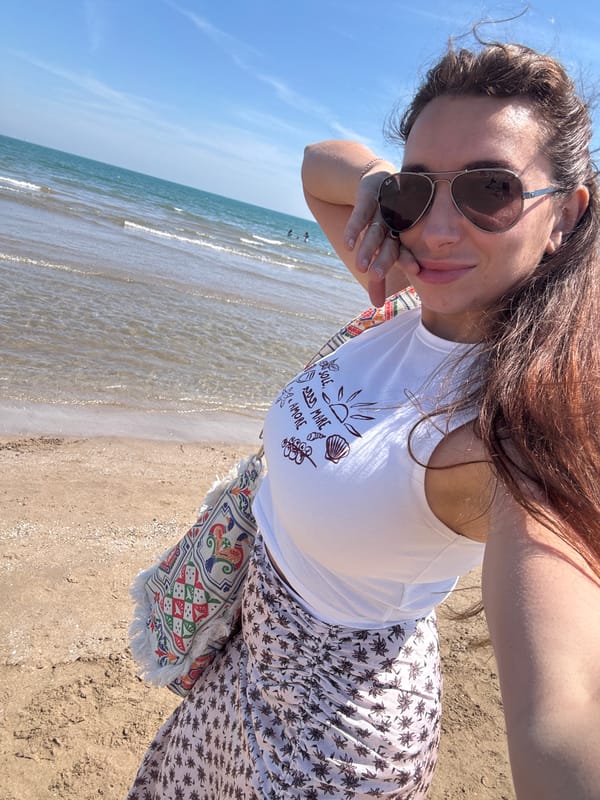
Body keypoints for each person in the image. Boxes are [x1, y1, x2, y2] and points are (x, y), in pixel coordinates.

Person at [126, 36, 600, 800]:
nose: (438, 229)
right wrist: (387, 189)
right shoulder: (406, 303)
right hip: (250, 664)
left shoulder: (506, 432)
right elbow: (320, 165)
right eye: (420, 191)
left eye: (489, 190)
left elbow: (566, 708)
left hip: (337, 741)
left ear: (565, 217)